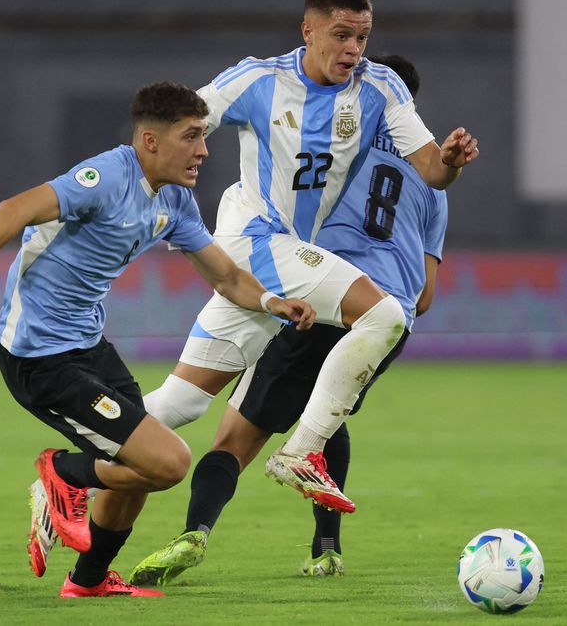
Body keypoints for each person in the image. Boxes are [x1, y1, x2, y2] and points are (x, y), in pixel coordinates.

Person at [0, 81, 315, 598]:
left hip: (89, 348)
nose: (204, 149)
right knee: (169, 463)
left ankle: (87, 580)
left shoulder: (176, 201)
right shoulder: (105, 177)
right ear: (150, 141)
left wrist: (274, 303)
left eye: (204, 136)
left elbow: (226, 278)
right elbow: (10, 210)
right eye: (192, 136)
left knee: (140, 458)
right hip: (38, 356)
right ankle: (61, 472)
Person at [139, 0, 477, 517]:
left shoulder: (381, 86)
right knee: (386, 316)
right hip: (255, 241)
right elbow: (186, 120)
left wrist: (452, 162)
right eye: (341, 35)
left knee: (181, 401)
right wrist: (154, 175)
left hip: (274, 260)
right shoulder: (258, 80)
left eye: (362, 38)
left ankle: (70, 468)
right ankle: (302, 450)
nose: (352, 50)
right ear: (308, 30)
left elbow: (431, 169)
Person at [129, 54, 447, 585]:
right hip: (382, 316)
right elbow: (426, 295)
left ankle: (192, 530)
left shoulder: (341, 147)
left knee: (230, 434)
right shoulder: (431, 182)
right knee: (327, 413)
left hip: (313, 299)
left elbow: (295, 212)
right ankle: (326, 547)